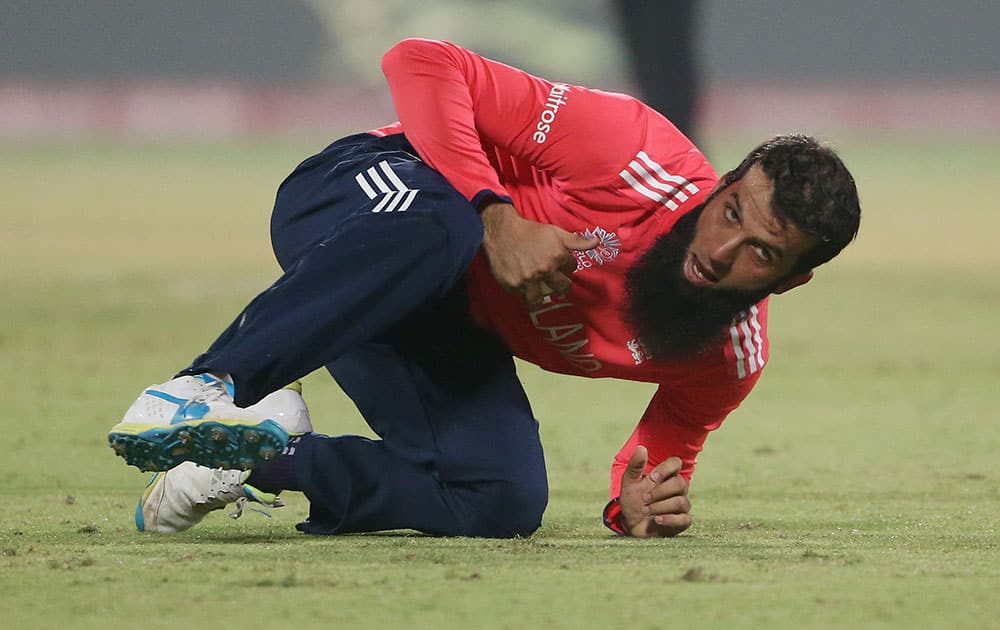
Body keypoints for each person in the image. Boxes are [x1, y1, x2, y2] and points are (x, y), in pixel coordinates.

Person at [108, 38, 861, 539]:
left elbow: (659, 459)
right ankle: (205, 389)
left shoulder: (727, 357)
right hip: (368, 201)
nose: (723, 251)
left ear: (791, 282)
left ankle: (253, 455)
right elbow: (421, 61)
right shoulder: (632, 150)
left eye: (761, 252)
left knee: (501, 498)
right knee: (446, 227)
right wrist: (496, 215)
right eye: (730, 212)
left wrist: (634, 508)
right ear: (721, 183)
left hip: (431, 319)